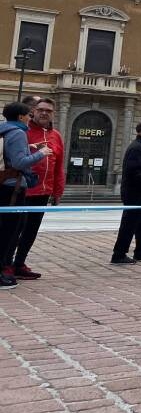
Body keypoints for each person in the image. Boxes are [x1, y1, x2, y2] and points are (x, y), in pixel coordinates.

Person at [12, 97, 65, 280]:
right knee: (14, 230)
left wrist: (57, 191)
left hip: (43, 192)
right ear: (33, 111)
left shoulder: (56, 136)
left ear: (53, 114)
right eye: (40, 109)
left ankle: (19, 264)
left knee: (31, 231)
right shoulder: (23, 132)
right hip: (22, 190)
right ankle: (6, 264)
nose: (44, 113)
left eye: (48, 111)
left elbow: (58, 166)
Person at [0, 102, 52, 287]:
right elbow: (19, 163)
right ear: (21, 116)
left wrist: (29, 147)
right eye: (29, 115)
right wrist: (41, 153)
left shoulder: (4, 130)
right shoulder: (18, 133)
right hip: (12, 188)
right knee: (8, 231)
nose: (30, 118)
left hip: (3, 186)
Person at [111, 120, 141, 265]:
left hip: (140, 193)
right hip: (134, 192)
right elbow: (134, 171)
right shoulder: (137, 148)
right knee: (129, 224)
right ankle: (119, 254)